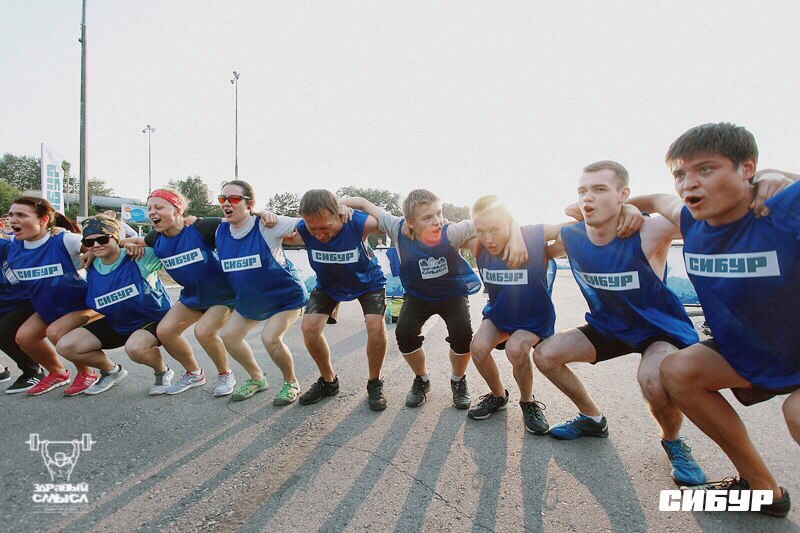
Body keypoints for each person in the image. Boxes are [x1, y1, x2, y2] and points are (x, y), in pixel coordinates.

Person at [628, 122, 798, 517]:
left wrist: (788, 174)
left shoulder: (785, 206)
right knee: (679, 371)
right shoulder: (690, 220)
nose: (689, 184)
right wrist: (624, 210)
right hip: (751, 348)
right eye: (681, 174)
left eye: (705, 169)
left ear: (747, 168)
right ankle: (764, 491)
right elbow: (655, 197)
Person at [533, 160, 706, 487]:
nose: (588, 197)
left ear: (623, 194)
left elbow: (701, 215)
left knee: (653, 381)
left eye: (600, 189)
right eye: (583, 190)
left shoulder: (648, 230)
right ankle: (592, 419)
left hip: (657, 331)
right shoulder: (572, 235)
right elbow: (536, 249)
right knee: (545, 355)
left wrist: (639, 205)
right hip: (608, 327)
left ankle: (673, 442)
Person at [341, 190, 527, 410]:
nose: (437, 220)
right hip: (418, 296)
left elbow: (494, 216)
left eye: (438, 213)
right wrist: (336, 205)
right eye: (427, 217)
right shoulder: (395, 227)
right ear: (410, 222)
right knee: (404, 334)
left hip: (452, 295)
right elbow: (362, 202)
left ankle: (458, 380)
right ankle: (422, 379)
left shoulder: (452, 232)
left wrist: (516, 236)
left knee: (462, 335)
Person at [467, 195, 569, 433]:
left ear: (509, 222)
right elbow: (439, 229)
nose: (488, 239)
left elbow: (573, 226)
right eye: (481, 230)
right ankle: (498, 396)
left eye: (495, 229)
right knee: (478, 349)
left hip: (533, 317)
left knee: (516, 348)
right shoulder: (477, 243)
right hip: (500, 313)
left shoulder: (532, 235)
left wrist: (517, 232)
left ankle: (527, 402)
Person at [123, 188, 238, 397]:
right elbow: (126, 243)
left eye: (159, 207)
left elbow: (240, 221)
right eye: (149, 208)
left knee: (203, 331)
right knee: (165, 331)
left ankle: (225, 374)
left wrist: (266, 216)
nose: (152, 212)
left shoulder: (200, 227)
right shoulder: (154, 237)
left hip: (223, 295)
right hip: (193, 296)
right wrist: (129, 246)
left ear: (177, 210)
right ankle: (194, 373)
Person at [287, 190, 388, 411]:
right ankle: (328, 381)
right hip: (329, 284)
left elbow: (388, 222)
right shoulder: (303, 228)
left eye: (325, 228)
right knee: (309, 328)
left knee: (375, 326)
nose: (320, 235)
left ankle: (374, 382)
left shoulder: (356, 221)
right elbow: (267, 230)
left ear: (338, 215)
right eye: (314, 230)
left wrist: (355, 202)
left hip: (367, 282)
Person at [55, 215, 174, 395]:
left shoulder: (138, 255)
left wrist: (132, 242)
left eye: (102, 239)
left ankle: (162, 371)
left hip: (150, 320)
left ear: (116, 237)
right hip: (117, 323)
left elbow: (170, 241)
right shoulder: (90, 264)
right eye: (89, 242)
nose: (95, 245)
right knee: (67, 346)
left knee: (135, 349)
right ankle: (112, 371)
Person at [215, 180, 309, 404]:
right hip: (252, 301)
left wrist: (267, 213)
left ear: (250, 204)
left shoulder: (267, 224)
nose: (227, 203)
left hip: (285, 298)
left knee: (270, 338)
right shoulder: (219, 229)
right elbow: (180, 228)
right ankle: (257, 379)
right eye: (222, 199)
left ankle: (291, 382)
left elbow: (312, 224)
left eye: (234, 198)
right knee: (228, 336)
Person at [6, 197, 99, 396]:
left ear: (43, 219)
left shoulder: (66, 240)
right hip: (49, 308)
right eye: (11, 215)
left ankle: (88, 373)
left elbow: (107, 247)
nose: (13, 219)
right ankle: (57, 373)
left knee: (56, 332)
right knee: (25, 337)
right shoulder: (13, 246)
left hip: (83, 304)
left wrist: (92, 253)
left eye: (21, 215)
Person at [0, 236, 45, 393]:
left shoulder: (5, 246)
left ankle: (33, 371)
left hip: (22, 300)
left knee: (4, 332)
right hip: (4, 301)